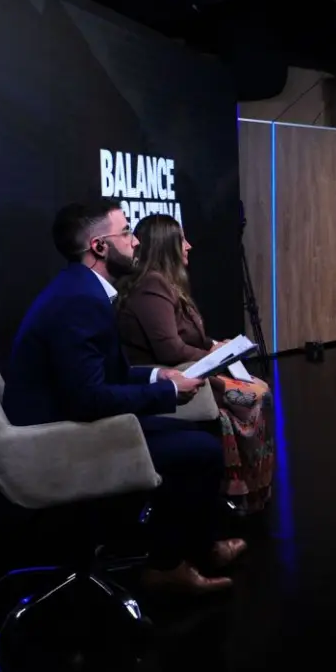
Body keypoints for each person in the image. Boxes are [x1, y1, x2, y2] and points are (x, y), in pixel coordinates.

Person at [4, 198, 244, 594]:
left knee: (196, 437)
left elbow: (100, 377)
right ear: (100, 247)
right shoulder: (79, 301)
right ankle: (168, 566)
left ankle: (197, 547)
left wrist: (156, 375)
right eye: (127, 232)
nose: (135, 242)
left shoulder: (80, 290)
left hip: (69, 424)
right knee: (199, 452)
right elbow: (88, 400)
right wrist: (167, 390)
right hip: (58, 441)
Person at [117, 214, 274, 513]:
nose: (188, 246)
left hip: (191, 371)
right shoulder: (152, 285)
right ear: (166, 247)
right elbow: (170, 349)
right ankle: (238, 491)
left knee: (260, 390)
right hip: (173, 379)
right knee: (258, 395)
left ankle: (246, 490)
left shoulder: (166, 285)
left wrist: (216, 346)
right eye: (182, 240)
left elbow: (190, 337)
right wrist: (219, 357)